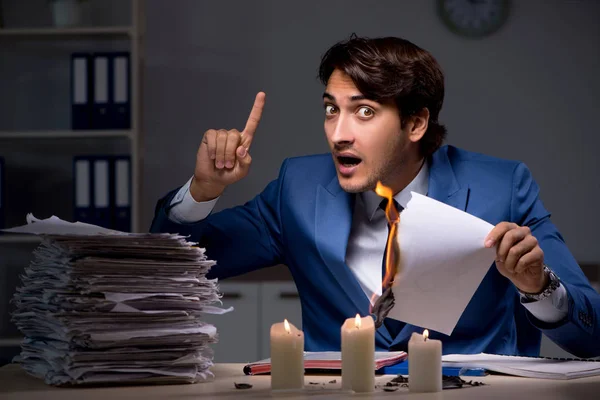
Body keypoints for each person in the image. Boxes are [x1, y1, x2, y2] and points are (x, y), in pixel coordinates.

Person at [150, 36, 599, 358]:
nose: (339, 134)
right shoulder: (298, 188)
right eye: (332, 110)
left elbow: (592, 333)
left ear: (416, 124)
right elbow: (172, 268)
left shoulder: (502, 187)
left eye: (364, 111)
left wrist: (539, 286)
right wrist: (203, 191)